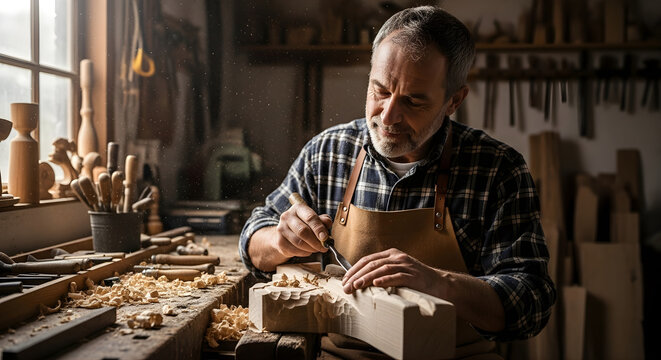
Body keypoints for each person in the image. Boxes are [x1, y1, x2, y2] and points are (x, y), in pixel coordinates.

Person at [240, 5, 556, 359]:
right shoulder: (328, 153)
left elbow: (532, 301)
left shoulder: (498, 169)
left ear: (454, 100)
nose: (388, 115)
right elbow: (254, 238)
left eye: (413, 100)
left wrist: (437, 283)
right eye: (380, 90)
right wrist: (280, 240)